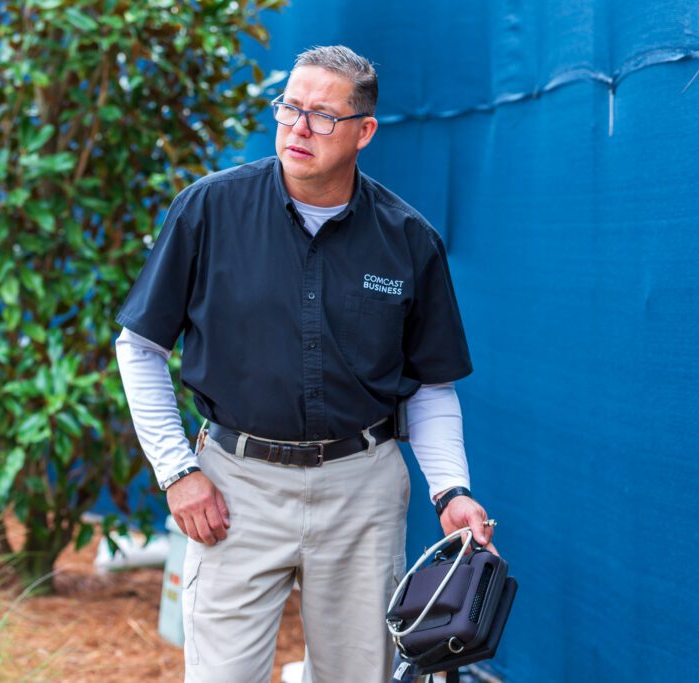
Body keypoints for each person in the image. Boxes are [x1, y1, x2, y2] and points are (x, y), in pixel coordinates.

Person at [115, 45, 497, 683]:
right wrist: (177, 471)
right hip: (234, 488)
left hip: (362, 492)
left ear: (364, 131)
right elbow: (140, 347)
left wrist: (451, 490)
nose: (298, 127)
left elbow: (431, 387)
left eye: (323, 116)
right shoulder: (208, 210)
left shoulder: (409, 239)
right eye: (290, 107)